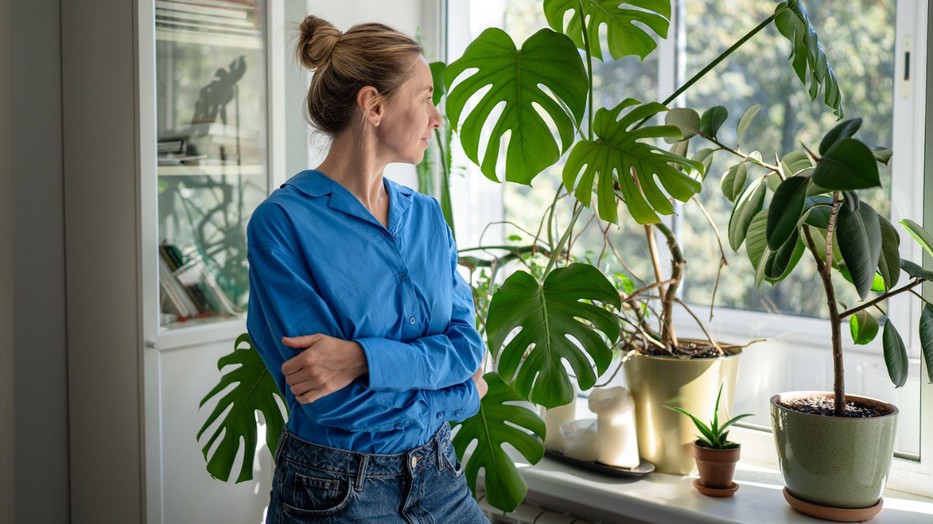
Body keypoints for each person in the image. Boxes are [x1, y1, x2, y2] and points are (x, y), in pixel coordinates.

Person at [246, 14, 489, 524]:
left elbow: (467, 348)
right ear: (374, 105)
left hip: (440, 474)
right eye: (425, 97)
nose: (437, 116)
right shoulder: (282, 223)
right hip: (334, 489)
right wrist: (459, 394)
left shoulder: (426, 216)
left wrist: (360, 359)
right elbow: (327, 401)